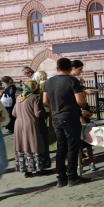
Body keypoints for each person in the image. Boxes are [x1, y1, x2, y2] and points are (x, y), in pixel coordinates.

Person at [43, 58, 87, 188]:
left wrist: (56, 107)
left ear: (57, 68)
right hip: (70, 117)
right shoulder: (72, 81)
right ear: (70, 68)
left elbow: (45, 101)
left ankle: (61, 178)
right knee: (72, 147)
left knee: (61, 148)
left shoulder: (49, 82)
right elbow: (80, 101)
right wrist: (83, 103)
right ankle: (72, 177)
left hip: (56, 117)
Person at [12, 81, 50, 177]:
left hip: (18, 124)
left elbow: (14, 113)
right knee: (34, 145)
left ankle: (26, 170)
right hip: (31, 124)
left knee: (23, 146)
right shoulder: (35, 97)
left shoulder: (19, 97)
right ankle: (38, 169)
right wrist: (47, 114)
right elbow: (38, 113)